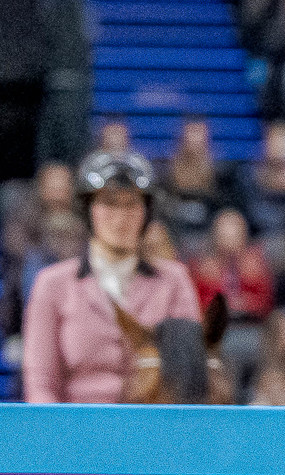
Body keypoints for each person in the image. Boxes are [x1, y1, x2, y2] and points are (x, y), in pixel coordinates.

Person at [22, 151, 202, 403]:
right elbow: (40, 382)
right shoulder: (52, 283)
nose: (120, 217)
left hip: (154, 427)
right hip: (76, 429)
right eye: (109, 203)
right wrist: (56, 437)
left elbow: (189, 375)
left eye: (131, 205)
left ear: (146, 212)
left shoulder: (174, 280)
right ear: (87, 209)